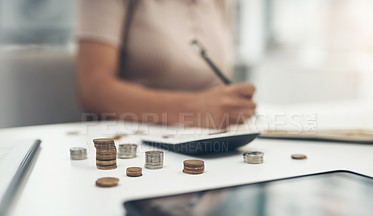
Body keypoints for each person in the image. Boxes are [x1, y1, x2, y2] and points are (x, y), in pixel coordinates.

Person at [77, 0, 256, 129]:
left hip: (205, 136)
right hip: (132, 136)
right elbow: (94, 90)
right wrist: (193, 109)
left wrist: (229, 104)